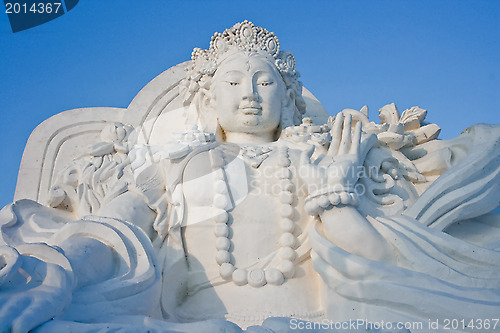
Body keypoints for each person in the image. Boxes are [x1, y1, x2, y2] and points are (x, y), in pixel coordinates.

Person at [1, 21, 499, 332]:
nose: (251, 94)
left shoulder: (318, 160)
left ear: (288, 97)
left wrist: (336, 194)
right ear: (209, 98)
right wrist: (54, 273)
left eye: (266, 82)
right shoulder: (176, 167)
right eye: (233, 82)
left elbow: (378, 264)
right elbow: (115, 234)